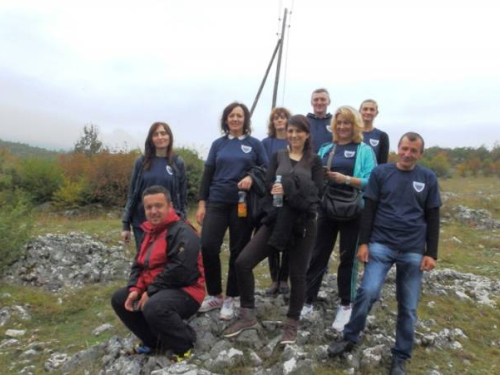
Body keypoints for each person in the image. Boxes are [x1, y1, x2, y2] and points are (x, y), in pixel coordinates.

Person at [327, 132, 441, 375]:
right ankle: (350, 336)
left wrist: (431, 253)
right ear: (397, 149)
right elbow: (369, 210)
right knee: (367, 292)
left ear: (420, 154)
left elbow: (433, 216)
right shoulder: (381, 173)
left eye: (414, 151)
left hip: (412, 249)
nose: (408, 154)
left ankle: (400, 356)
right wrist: (364, 243)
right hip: (381, 244)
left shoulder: (428, 178)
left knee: (408, 307)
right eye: (405, 148)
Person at [223, 114, 323, 345]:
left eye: (299, 131)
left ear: (307, 135)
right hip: (277, 220)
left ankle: (291, 324)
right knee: (243, 262)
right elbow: (268, 186)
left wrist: (289, 189)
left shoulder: (315, 161)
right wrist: (277, 193)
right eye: (290, 131)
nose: (294, 135)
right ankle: (247, 315)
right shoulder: (278, 156)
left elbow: (317, 195)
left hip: (303, 224)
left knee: (298, 276)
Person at [301, 106, 377, 332]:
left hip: (353, 210)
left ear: (355, 126)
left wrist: (346, 179)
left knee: (348, 259)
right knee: (317, 254)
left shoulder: (364, 151)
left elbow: (371, 181)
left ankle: (346, 304)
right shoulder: (326, 148)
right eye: (340, 123)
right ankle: (307, 300)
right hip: (326, 208)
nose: (343, 127)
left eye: (347, 123)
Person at [111, 185, 205, 362]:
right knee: (119, 298)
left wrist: (151, 291)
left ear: (170, 206)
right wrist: (135, 289)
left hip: (187, 291)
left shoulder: (183, 231)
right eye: (149, 207)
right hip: (159, 288)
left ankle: (185, 344)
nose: (153, 211)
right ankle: (153, 341)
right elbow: (139, 265)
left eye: (158, 206)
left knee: (154, 306)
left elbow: (181, 271)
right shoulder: (149, 232)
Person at [196, 102, 268, 320]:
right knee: (208, 246)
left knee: (238, 251)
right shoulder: (218, 144)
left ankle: (231, 297)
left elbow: (266, 169)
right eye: (231, 116)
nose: (235, 119)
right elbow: (207, 175)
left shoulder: (254, 144)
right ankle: (215, 294)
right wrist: (201, 203)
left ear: (245, 120)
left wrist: (250, 177)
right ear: (226, 120)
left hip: (242, 204)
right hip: (217, 201)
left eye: (239, 116)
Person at [122, 122, 188, 250]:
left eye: (163, 133)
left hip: (169, 222)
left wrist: (183, 221)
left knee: (166, 261)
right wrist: (125, 225)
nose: (160, 137)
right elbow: (132, 194)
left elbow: (183, 195)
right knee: (144, 261)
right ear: (151, 139)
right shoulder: (141, 162)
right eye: (156, 134)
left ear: (169, 137)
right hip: (141, 222)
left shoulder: (178, 162)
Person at [261, 107, 292, 295]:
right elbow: (264, 167)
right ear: (272, 122)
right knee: (272, 236)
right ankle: (274, 278)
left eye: (283, 117)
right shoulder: (266, 143)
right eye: (276, 118)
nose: (280, 120)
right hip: (270, 194)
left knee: (289, 237)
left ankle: (284, 278)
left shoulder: (293, 141)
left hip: (290, 194)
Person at [360, 99, 389, 164]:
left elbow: (382, 164)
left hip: (372, 174)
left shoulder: (382, 136)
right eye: (365, 109)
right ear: (359, 111)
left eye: (372, 109)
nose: (368, 112)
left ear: (376, 113)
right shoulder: (351, 133)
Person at [307, 88, 333, 153]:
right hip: (308, 161)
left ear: (329, 102)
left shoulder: (335, 122)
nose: (319, 102)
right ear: (311, 102)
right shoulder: (304, 122)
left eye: (323, 99)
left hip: (328, 161)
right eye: (316, 100)